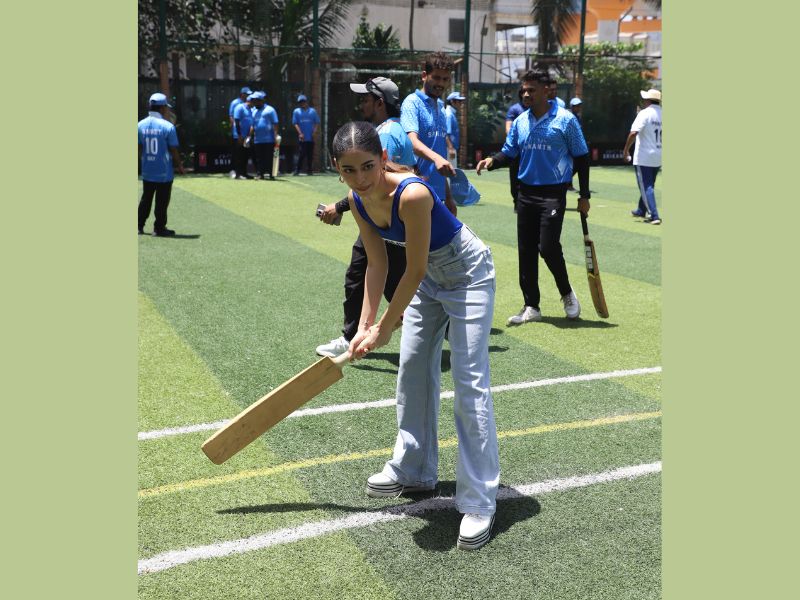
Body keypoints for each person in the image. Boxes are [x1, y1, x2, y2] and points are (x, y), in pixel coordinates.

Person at [333, 121, 499, 551]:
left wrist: (385, 327)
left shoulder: (414, 194)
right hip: (427, 283)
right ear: (337, 169)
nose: (360, 179)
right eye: (349, 170)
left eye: (367, 166)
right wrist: (365, 325)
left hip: (468, 275)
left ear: (383, 159)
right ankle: (415, 469)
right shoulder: (358, 201)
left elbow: (415, 267)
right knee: (411, 370)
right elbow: (377, 265)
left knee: (469, 382)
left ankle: (479, 501)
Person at [476, 70, 591, 324]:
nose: (526, 94)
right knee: (526, 250)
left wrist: (584, 195)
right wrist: (492, 161)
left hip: (553, 193)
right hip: (526, 193)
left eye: (532, 90)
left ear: (546, 91)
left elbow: (582, 157)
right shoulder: (520, 121)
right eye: (524, 90)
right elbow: (509, 152)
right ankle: (531, 306)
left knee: (548, 247)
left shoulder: (566, 120)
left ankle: (567, 293)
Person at [315, 77, 413, 357]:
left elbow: (378, 183)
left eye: (366, 99)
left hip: (387, 217)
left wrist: (339, 207)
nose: (362, 104)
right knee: (380, 276)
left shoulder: (385, 134)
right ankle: (357, 332)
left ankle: (353, 335)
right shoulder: (387, 130)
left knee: (372, 276)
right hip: (382, 215)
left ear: (380, 103)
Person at [400, 51, 458, 214]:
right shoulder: (412, 103)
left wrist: (448, 196)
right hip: (416, 192)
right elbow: (412, 142)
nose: (441, 83)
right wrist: (437, 158)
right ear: (424, 75)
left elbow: (439, 154)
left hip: (438, 195)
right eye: (436, 78)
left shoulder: (440, 106)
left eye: (445, 79)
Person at [138, 92, 185, 236]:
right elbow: (173, 149)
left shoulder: (139, 125)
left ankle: (138, 226)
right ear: (163, 108)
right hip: (164, 171)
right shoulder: (168, 127)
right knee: (162, 201)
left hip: (147, 170)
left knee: (146, 198)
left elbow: (139, 148)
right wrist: (179, 165)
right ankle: (159, 228)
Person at [623, 89, 662, 225]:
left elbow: (633, 133)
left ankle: (654, 215)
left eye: (644, 99)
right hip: (658, 155)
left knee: (646, 186)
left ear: (648, 100)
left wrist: (625, 150)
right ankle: (641, 209)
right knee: (649, 184)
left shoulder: (644, 113)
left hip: (644, 156)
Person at [505, 85, 531, 212]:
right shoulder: (515, 109)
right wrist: (515, 142)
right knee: (515, 176)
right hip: (517, 151)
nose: (526, 95)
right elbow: (508, 128)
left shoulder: (536, 109)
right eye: (523, 92)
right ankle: (516, 201)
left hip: (531, 151)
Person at [250, 91, 279, 180]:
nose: (254, 102)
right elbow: (253, 125)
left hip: (269, 139)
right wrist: (249, 136)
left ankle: (271, 174)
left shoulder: (270, 110)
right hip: (257, 139)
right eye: (253, 101)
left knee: (269, 157)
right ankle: (260, 174)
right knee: (259, 158)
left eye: (255, 101)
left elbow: (275, 123)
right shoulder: (254, 111)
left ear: (261, 100)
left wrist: (275, 136)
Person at [292, 94, 320, 176]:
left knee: (310, 154)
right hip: (302, 138)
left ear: (306, 102)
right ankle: (297, 170)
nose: (302, 103)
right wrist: (300, 133)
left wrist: (314, 132)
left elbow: (317, 122)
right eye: (300, 102)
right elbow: (295, 123)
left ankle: (309, 170)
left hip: (311, 137)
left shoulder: (312, 111)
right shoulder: (296, 111)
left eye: (303, 101)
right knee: (302, 154)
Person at [229, 86, 252, 178]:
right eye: (246, 94)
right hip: (238, 133)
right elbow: (232, 117)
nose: (248, 96)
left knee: (244, 154)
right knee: (237, 153)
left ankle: (243, 172)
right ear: (242, 94)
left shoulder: (249, 105)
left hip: (246, 134)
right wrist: (235, 131)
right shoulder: (235, 103)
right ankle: (235, 172)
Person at [232, 92, 255, 179]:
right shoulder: (239, 107)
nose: (254, 104)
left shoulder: (250, 109)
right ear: (249, 101)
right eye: (254, 102)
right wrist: (239, 135)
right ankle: (238, 174)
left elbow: (251, 123)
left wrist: (248, 136)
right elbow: (237, 122)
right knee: (239, 155)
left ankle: (244, 173)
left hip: (246, 137)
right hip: (239, 136)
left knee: (245, 155)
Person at [445, 91, 465, 168]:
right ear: (452, 102)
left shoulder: (451, 113)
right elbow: (446, 134)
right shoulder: (449, 114)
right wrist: (451, 148)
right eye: (459, 101)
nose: (461, 103)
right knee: (451, 172)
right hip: (449, 149)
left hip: (451, 148)